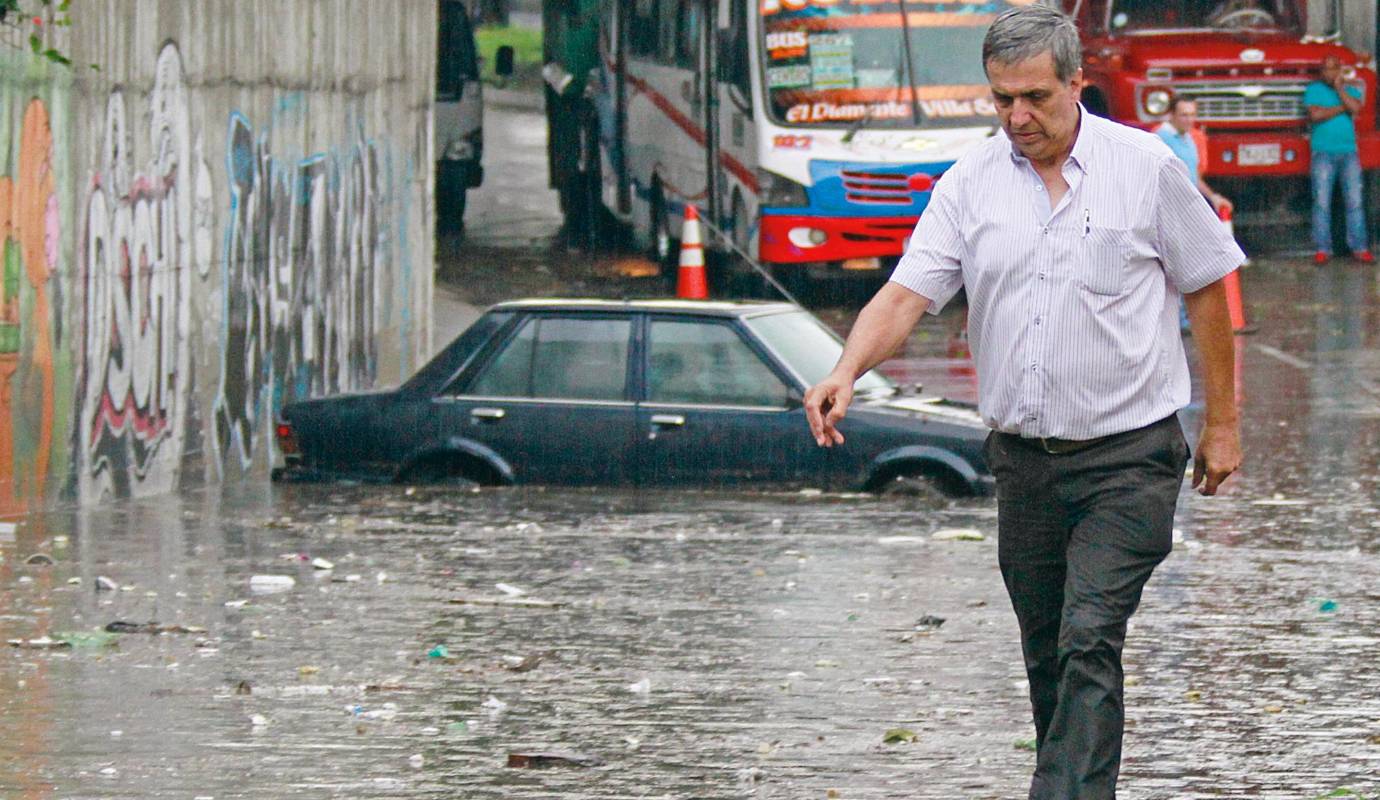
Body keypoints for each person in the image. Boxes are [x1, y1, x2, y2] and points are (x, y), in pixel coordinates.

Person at [803, 6, 1242, 798]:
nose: (1018, 117)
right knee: (1047, 651)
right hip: (1023, 465)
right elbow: (907, 295)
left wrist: (1225, 423)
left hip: (1130, 457)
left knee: (1087, 637)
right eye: (1001, 99)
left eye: (1036, 97)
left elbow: (1209, 286)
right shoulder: (970, 182)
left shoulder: (1145, 169)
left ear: (1079, 84)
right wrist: (846, 368)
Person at [1304, 56, 1372, 264]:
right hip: (1323, 152)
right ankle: (1323, 249)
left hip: (1349, 152)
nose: (1329, 73)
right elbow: (1315, 115)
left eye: (1333, 69)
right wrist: (1342, 108)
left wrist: (1340, 90)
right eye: (1325, 69)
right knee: (1321, 202)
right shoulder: (1313, 90)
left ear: (1339, 70)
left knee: (1355, 202)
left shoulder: (1349, 88)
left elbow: (1356, 108)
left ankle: (1360, 248)